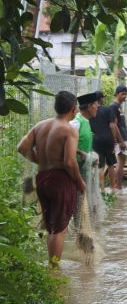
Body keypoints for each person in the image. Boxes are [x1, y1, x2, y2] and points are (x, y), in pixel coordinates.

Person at [17, 91, 86, 267]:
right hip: (60, 181)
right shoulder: (69, 130)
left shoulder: (40, 125)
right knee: (60, 229)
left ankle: (51, 265)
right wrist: (79, 181)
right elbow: (69, 162)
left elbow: (22, 147)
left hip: (42, 179)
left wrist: (39, 160)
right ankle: (54, 269)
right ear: (73, 108)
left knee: (51, 226)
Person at [89, 92, 116, 192]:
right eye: (103, 98)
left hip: (96, 139)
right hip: (108, 139)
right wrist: (115, 141)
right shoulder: (108, 109)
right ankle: (113, 188)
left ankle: (102, 189)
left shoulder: (91, 111)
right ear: (100, 99)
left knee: (100, 165)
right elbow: (112, 126)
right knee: (110, 164)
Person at [109, 85, 127, 190]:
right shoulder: (113, 106)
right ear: (117, 94)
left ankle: (117, 186)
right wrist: (120, 141)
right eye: (122, 94)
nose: (124, 96)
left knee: (122, 163)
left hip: (123, 137)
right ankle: (117, 186)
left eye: (126, 94)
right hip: (120, 139)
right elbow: (114, 125)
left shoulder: (119, 106)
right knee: (120, 163)